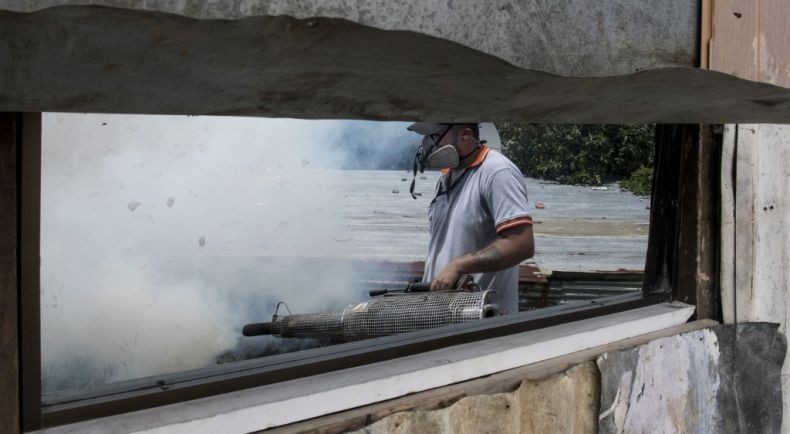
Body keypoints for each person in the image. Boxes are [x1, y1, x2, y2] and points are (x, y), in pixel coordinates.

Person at [407, 122, 534, 315]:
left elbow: (521, 244)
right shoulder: (446, 178)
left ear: (465, 135)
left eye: (435, 136)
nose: (427, 144)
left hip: (484, 322)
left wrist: (458, 266)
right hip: (446, 316)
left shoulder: (497, 172)